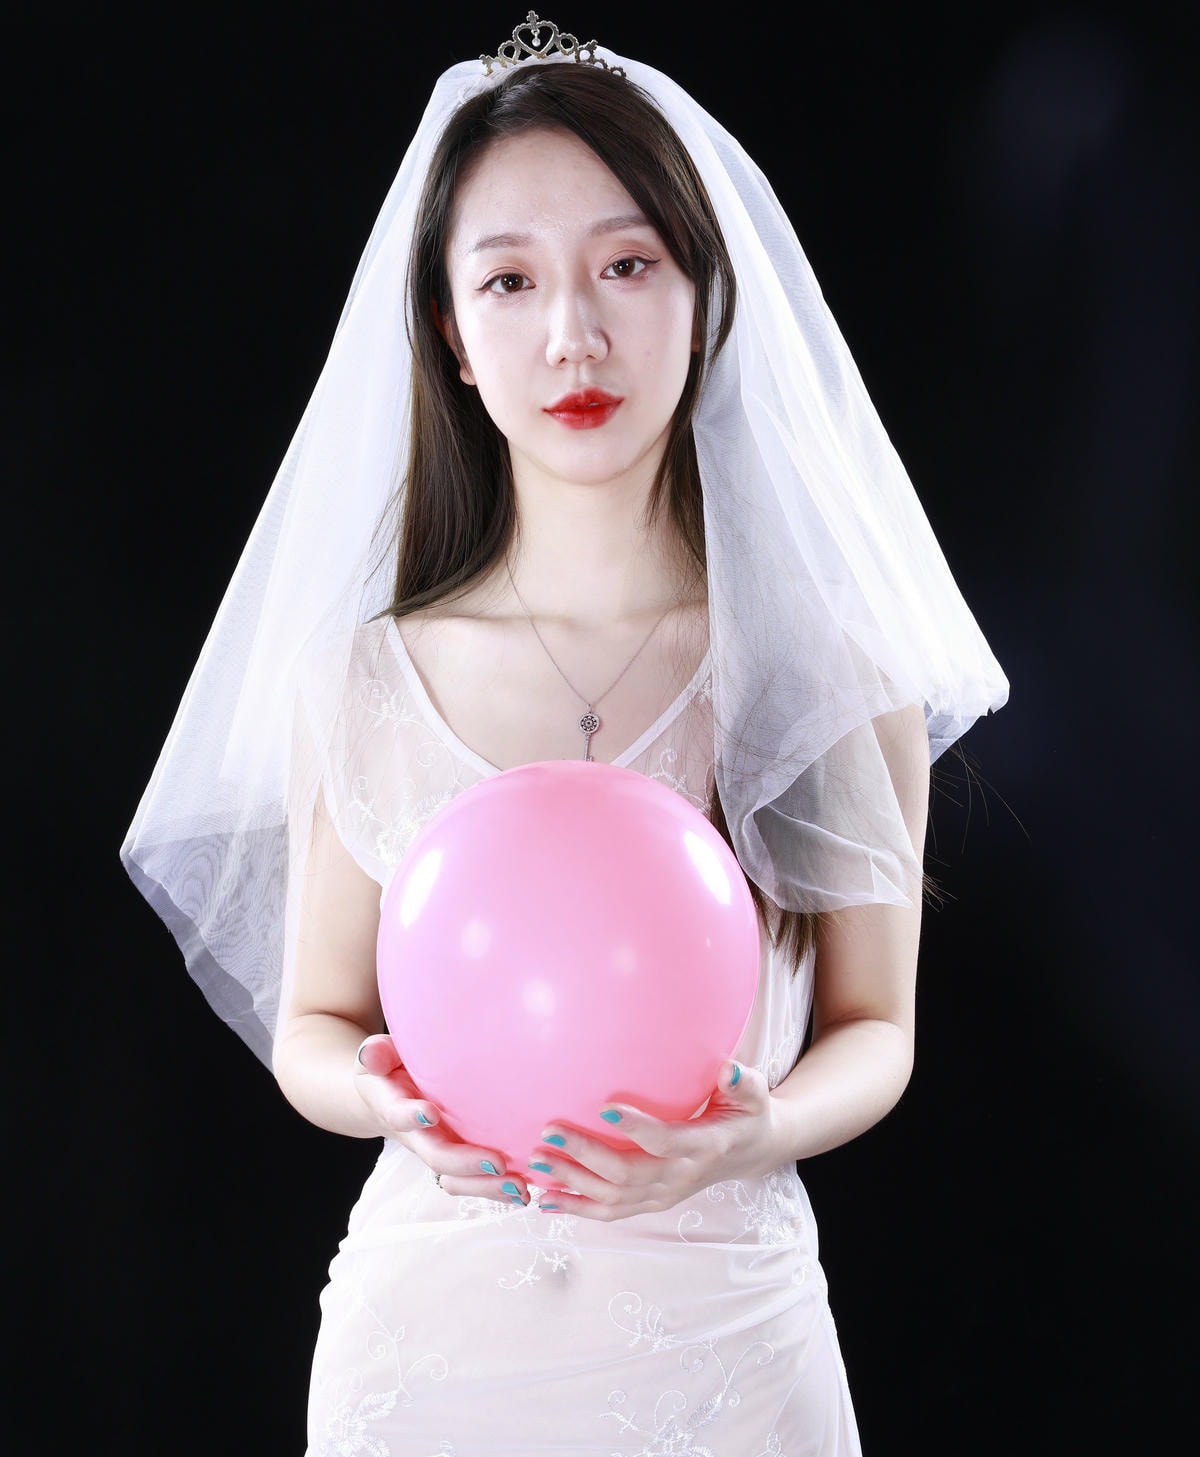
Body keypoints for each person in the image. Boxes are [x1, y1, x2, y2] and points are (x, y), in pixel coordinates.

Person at [122, 13, 1008, 1454]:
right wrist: (384, 1098)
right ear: (451, 336)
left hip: (728, 1346)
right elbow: (313, 1026)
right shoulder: (364, 678)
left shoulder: (826, 672)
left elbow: (875, 1030)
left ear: (704, 298)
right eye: (510, 280)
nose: (572, 335)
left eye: (628, 266)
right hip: (425, 1356)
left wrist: (755, 1133)